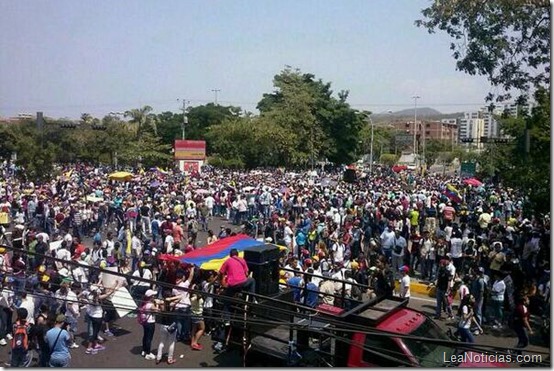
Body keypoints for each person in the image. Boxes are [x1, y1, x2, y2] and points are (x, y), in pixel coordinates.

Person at [166, 267, 194, 343]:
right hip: (186, 306)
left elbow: (174, 298)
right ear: (182, 278)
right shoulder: (184, 285)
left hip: (178, 307)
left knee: (179, 322)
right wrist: (192, 268)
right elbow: (191, 277)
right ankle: (185, 336)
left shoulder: (174, 288)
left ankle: (178, 336)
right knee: (186, 322)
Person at [139, 289, 159, 360]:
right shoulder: (150, 305)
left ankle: (144, 350)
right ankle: (148, 353)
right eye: (153, 295)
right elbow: (157, 311)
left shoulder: (144, 303)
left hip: (145, 322)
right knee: (149, 338)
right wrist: (157, 304)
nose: (154, 296)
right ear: (151, 296)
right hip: (150, 323)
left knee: (145, 336)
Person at [190, 283, 205, 351]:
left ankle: (192, 342)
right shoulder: (199, 298)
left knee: (194, 328)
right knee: (202, 328)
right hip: (198, 315)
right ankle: (195, 342)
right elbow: (199, 297)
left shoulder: (192, 297)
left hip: (192, 313)